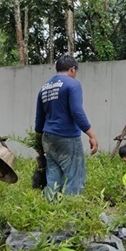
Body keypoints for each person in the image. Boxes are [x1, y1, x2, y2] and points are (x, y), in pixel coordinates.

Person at [35, 55, 98, 200]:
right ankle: (72, 214)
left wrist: (39, 141)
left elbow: (39, 118)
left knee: (53, 177)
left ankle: (52, 214)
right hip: (66, 137)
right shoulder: (72, 84)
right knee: (75, 176)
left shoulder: (44, 88)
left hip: (48, 137)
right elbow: (77, 112)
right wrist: (91, 134)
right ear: (72, 69)